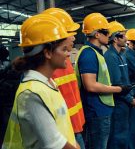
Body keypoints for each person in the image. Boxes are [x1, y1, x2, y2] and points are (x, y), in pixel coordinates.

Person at [2, 14, 79, 149]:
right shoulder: (32, 93)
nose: (68, 54)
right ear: (48, 53)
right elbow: (55, 144)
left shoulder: (48, 83)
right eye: (64, 49)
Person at [75, 13, 131, 149]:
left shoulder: (96, 53)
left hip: (101, 109)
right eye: (106, 32)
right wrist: (119, 89)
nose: (109, 36)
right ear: (96, 34)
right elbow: (90, 85)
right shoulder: (89, 54)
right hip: (96, 111)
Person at [42, 8, 86, 149]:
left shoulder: (64, 61)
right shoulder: (45, 69)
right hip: (63, 134)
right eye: (69, 33)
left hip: (75, 127)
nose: (74, 37)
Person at [104, 21, 135, 149]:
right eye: (123, 35)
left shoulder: (121, 55)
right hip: (119, 102)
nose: (126, 38)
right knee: (117, 136)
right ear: (115, 38)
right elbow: (117, 83)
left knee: (124, 134)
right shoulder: (110, 57)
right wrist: (130, 99)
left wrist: (134, 96)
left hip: (126, 100)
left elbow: (126, 80)